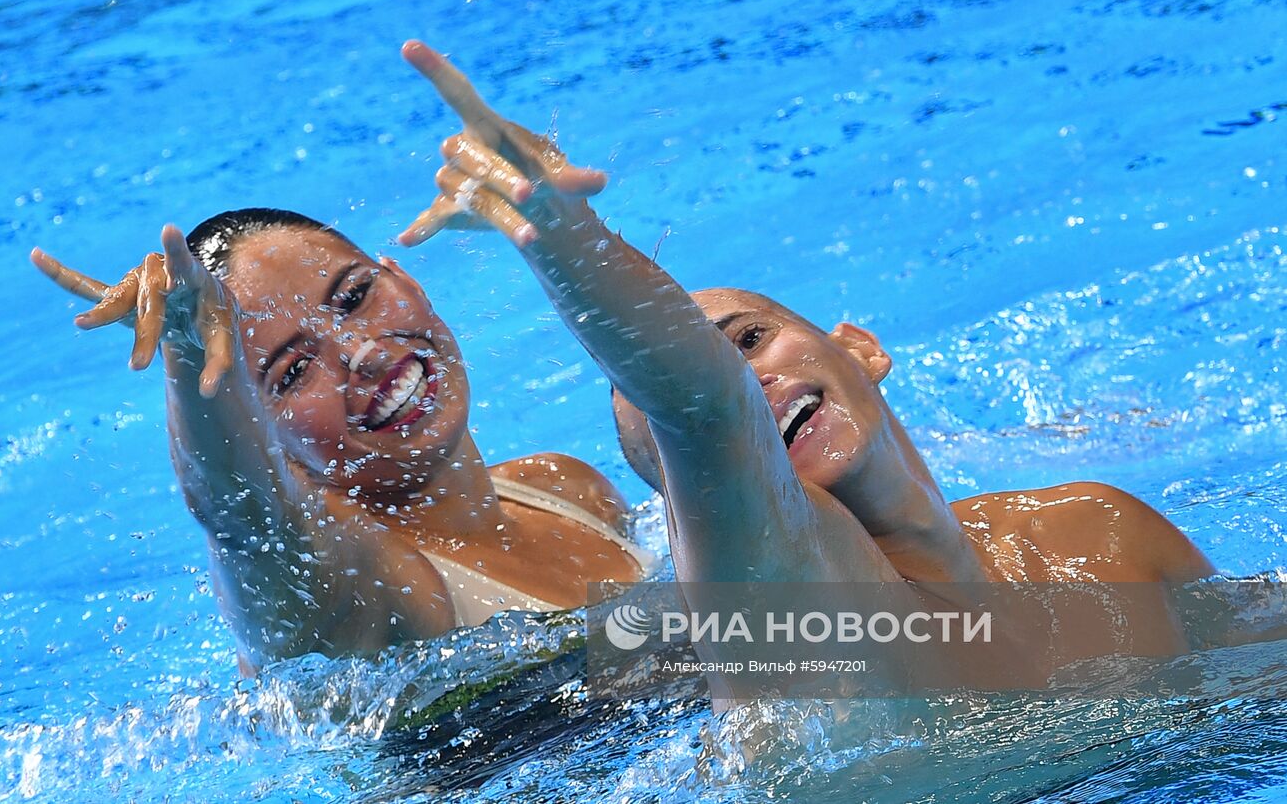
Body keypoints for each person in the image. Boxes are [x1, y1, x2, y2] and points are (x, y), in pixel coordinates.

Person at [396, 40, 1216, 703]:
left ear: (860, 347)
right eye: (696, 446)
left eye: (748, 339)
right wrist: (568, 234)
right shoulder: (805, 616)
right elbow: (706, 412)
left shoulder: (1097, 534)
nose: (746, 386)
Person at [31, 209, 654, 674]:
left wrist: (559, 220)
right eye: (294, 372)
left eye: (355, 297)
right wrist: (191, 354)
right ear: (270, 442)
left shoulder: (569, 489)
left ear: (405, 281)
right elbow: (247, 522)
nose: (359, 354)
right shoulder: (373, 591)